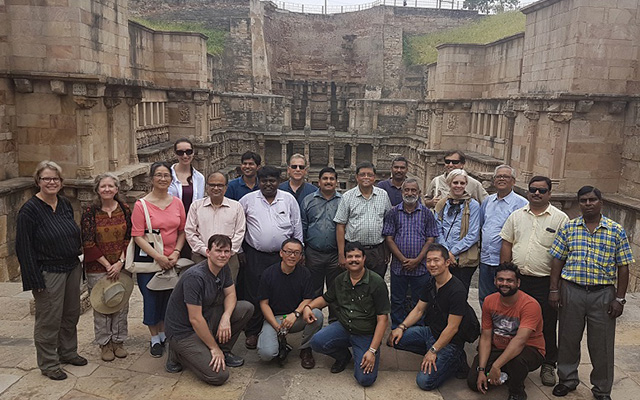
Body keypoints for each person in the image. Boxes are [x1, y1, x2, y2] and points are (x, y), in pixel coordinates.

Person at [549, 186, 634, 400]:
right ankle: (567, 379)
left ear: (601, 202)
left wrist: (620, 299)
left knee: (602, 344)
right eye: (584, 200)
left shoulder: (615, 230)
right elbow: (557, 259)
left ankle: (602, 389)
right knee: (568, 338)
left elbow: (623, 266)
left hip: (603, 294)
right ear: (579, 203)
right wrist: (554, 289)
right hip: (572, 291)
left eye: (592, 200)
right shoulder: (569, 228)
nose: (588, 204)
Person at [16, 160, 86, 380]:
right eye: (46, 178)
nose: (51, 182)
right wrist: (33, 279)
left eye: (55, 179)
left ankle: (68, 351)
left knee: (70, 314)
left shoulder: (64, 204)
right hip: (48, 271)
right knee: (49, 319)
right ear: (38, 181)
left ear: (61, 182)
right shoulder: (29, 210)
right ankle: (48, 363)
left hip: (71, 266)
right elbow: (23, 247)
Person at [500, 175, 568, 387]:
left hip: (545, 281)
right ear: (528, 191)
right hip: (519, 280)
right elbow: (507, 244)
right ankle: (509, 359)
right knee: (512, 320)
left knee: (546, 323)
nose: (536, 193)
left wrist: (555, 287)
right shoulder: (516, 216)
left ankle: (548, 364)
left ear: (549, 193)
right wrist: (505, 274)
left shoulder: (560, 219)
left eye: (541, 190)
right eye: (533, 189)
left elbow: (563, 254)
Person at [164, 234, 253, 385]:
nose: (223, 255)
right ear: (208, 252)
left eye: (227, 251)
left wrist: (226, 317)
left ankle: (223, 349)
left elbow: (231, 294)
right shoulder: (195, 277)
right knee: (219, 375)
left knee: (246, 308)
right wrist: (213, 348)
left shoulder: (223, 268)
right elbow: (195, 319)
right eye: (218, 251)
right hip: (183, 331)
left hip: (207, 316)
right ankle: (177, 352)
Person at [388, 243, 475, 391]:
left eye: (436, 260)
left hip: (451, 341)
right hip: (431, 332)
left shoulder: (457, 290)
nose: (432, 264)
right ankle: (435, 351)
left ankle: (455, 360)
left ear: (447, 262)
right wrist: (401, 328)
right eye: (428, 261)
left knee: (424, 382)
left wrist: (433, 351)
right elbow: (419, 310)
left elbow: (452, 328)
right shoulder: (431, 282)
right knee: (395, 340)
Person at [306, 242, 390, 387]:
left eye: (357, 256)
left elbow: (383, 320)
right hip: (344, 327)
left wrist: (372, 350)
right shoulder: (340, 280)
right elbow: (326, 299)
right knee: (316, 342)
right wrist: (309, 306)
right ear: (345, 260)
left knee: (365, 380)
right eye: (349, 256)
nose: (353, 259)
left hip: (365, 333)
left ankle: (368, 351)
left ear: (364, 259)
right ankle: (343, 356)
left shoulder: (376, 282)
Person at [239, 165, 303, 349]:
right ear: (258, 181)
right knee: (254, 293)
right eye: (264, 180)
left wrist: (300, 251)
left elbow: (297, 225)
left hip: (283, 256)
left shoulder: (288, 199)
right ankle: (252, 331)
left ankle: (276, 328)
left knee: (278, 292)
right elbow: (239, 226)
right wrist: (239, 251)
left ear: (279, 181)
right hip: (256, 255)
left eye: (272, 180)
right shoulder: (247, 200)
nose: (268, 184)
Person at [131, 161, 187, 358]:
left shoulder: (177, 203)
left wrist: (176, 252)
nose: (163, 179)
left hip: (172, 259)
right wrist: (158, 257)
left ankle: (164, 333)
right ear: (151, 178)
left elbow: (182, 230)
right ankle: (154, 337)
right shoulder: (141, 205)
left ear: (171, 180)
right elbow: (137, 235)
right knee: (151, 298)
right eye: (159, 175)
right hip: (151, 261)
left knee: (169, 298)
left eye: (166, 175)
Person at [467, 262, 545, 400]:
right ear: (495, 281)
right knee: (474, 382)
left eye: (510, 280)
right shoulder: (489, 301)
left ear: (518, 283)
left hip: (529, 349)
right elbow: (485, 337)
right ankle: (506, 372)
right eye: (500, 280)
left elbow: (520, 341)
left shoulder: (530, 305)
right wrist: (482, 370)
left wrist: (496, 366)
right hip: (500, 346)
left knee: (517, 361)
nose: (505, 283)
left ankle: (517, 391)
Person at [81, 173, 132, 362]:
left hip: (121, 265)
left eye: (111, 186)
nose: (107, 189)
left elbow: (130, 237)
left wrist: (120, 262)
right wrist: (108, 265)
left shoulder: (125, 209)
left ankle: (119, 341)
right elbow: (88, 242)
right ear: (97, 190)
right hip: (98, 267)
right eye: (103, 186)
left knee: (120, 302)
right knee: (101, 304)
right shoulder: (90, 212)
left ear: (117, 189)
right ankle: (104, 343)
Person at [257, 238, 323, 368]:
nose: (292, 256)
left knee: (317, 314)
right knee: (267, 354)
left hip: (295, 317)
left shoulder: (305, 273)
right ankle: (281, 344)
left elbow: (308, 299)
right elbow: (264, 303)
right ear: (281, 253)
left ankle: (306, 349)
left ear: (300, 256)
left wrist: (296, 313)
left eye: (296, 253)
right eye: (288, 252)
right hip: (274, 319)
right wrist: (277, 327)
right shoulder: (268, 274)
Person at [382, 178, 437, 328]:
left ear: (419, 193)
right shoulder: (393, 212)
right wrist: (402, 259)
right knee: (397, 299)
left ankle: (416, 330)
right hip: (399, 267)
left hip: (421, 267)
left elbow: (430, 238)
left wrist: (418, 259)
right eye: (407, 190)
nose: (410, 193)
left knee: (419, 300)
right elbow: (389, 238)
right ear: (401, 192)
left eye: (413, 190)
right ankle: (396, 329)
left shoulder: (426, 214)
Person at [478, 165, 527, 306]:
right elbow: (482, 226)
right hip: (486, 259)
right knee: (485, 297)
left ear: (513, 181)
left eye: (506, 176)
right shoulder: (488, 201)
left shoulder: (522, 204)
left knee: (505, 298)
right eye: (498, 176)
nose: (501, 179)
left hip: (507, 261)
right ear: (494, 181)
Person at [334, 161, 392, 277]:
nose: (366, 177)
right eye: (362, 174)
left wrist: (387, 250)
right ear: (356, 177)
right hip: (354, 250)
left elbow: (388, 223)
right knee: (354, 284)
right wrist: (341, 254)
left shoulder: (383, 195)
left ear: (374, 177)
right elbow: (340, 225)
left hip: (377, 249)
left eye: (369, 175)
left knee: (376, 284)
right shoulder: (347, 196)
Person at [185, 171, 245, 282]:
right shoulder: (196, 206)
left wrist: (225, 252)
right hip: (201, 257)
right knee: (201, 290)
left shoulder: (236, 207)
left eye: (220, 185)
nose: (216, 188)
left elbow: (239, 233)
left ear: (226, 188)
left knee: (227, 291)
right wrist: (206, 251)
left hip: (228, 258)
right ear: (206, 187)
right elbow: (190, 232)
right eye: (212, 185)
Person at [300, 167, 342, 321]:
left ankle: (334, 324)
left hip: (335, 254)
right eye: (325, 178)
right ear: (319, 181)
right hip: (313, 253)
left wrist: (342, 254)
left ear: (336, 182)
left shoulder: (342, 201)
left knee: (335, 290)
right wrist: (302, 252)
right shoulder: (308, 200)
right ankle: (313, 323)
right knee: (313, 290)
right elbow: (303, 226)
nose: (328, 182)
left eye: (332, 179)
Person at [434, 169, 480, 294]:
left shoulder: (473, 205)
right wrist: (446, 251)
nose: (458, 186)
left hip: (464, 259)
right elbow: (438, 229)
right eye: (455, 182)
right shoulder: (442, 203)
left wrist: (453, 252)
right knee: (442, 291)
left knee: (460, 293)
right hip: (445, 256)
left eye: (462, 183)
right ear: (450, 183)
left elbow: (473, 234)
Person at [168, 138, 204, 259]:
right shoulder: (167, 176)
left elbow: (199, 203)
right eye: (180, 152)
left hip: (191, 226)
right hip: (172, 226)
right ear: (175, 154)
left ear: (193, 153)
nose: (185, 156)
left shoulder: (199, 178)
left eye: (188, 152)